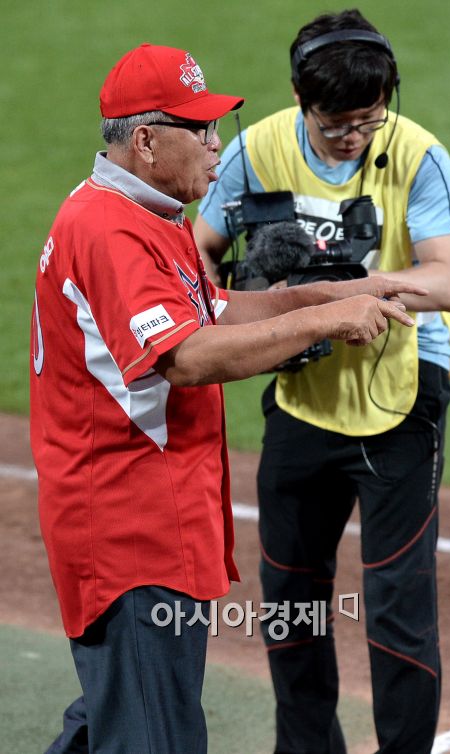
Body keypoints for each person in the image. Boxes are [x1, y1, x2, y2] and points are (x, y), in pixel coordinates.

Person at [29, 42, 424, 754]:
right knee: (153, 735)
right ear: (146, 141)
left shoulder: (145, 213)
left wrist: (332, 291)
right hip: (127, 530)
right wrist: (323, 321)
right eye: (200, 130)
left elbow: (209, 310)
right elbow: (184, 357)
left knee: (125, 714)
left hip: (151, 517)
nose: (218, 145)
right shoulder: (110, 230)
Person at [194, 9, 450, 754]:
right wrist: (253, 295)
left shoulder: (418, 155)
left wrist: (350, 287)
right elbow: (199, 257)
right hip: (302, 395)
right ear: (297, 97)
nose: (354, 136)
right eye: (336, 122)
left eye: (368, 120)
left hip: (401, 393)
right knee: (290, 593)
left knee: (395, 597)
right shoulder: (255, 150)